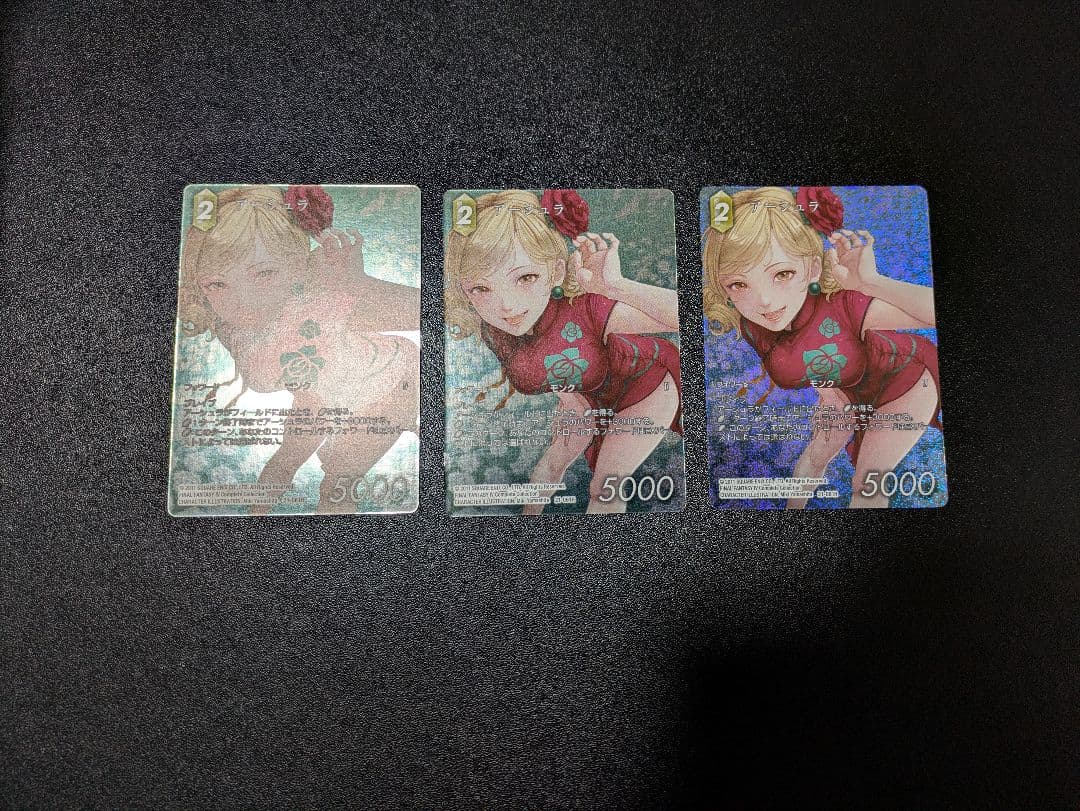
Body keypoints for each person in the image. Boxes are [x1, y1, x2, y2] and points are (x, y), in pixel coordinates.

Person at [177, 185, 419, 513]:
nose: (242, 301)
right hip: (319, 392)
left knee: (337, 482)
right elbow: (280, 381)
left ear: (296, 266)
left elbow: (421, 311)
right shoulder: (227, 323)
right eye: (217, 283)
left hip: (391, 379)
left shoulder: (319, 303)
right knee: (285, 463)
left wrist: (358, 284)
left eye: (264, 274)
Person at [702, 186, 941, 508]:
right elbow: (809, 357)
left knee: (867, 484)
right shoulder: (752, 323)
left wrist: (871, 283)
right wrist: (831, 399)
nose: (765, 301)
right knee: (815, 457)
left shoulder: (843, 305)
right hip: (844, 391)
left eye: (783, 274)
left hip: (904, 379)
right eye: (738, 283)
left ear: (813, 269)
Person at [445, 189, 682, 513]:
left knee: (605, 488)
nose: (507, 306)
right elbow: (551, 363)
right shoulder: (494, 330)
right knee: (547, 469)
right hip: (586, 395)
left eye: (526, 277)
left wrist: (615, 286)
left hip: (645, 384)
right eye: (480, 288)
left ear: (556, 272)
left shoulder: (584, 309)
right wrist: (572, 404)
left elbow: (682, 317)